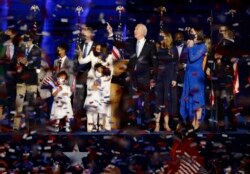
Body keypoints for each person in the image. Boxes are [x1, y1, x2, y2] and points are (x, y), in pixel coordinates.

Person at [107, 23, 158, 129]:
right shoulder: (131, 43)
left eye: (136, 29)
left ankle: (146, 123)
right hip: (133, 78)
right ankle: (134, 123)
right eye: (135, 29)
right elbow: (118, 44)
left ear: (143, 32)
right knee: (133, 101)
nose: (134, 31)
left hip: (145, 77)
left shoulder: (151, 45)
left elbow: (155, 63)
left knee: (146, 101)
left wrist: (154, 79)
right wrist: (111, 33)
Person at [78, 43, 115, 132]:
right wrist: (80, 55)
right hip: (92, 80)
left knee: (104, 103)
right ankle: (91, 127)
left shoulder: (109, 56)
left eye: (99, 49)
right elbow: (81, 61)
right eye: (96, 48)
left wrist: (108, 78)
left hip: (104, 81)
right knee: (92, 103)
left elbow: (111, 68)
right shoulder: (92, 54)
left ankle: (105, 126)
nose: (97, 50)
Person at [179, 27, 207, 130]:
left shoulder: (202, 46)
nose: (190, 34)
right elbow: (182, 58)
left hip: (197, 75)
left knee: (197, 99)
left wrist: (190, 47)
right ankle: (191, 122)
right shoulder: (189, 44)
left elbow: (193, 58)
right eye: (190, 32)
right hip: (188, 74)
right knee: (188, 98)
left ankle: (197, 123)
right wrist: (187, 47)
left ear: (198, 34)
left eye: (193, 32)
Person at [154, 30, 178, 132]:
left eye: (162, 36)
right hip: (159, 76)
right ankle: (157, 124)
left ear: (167, 37)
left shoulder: (172, 49)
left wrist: (174, 78)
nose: (160, 37)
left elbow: (176, 64)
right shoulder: (156, 47)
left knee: (166, 100)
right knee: (158, 100)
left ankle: (166, 124)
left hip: (168, 76)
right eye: (159, 35)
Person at [73, 26, 96, 116]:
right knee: (79, 97)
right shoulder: (79, 45)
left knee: (90, 97)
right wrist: (75, 71)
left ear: (90, 34)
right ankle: (78, 117)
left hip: (91, 75)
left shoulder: (96, 46)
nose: (82, 33)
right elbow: (76, 60)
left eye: (85, 31)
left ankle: (89, 118)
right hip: (80, 75)